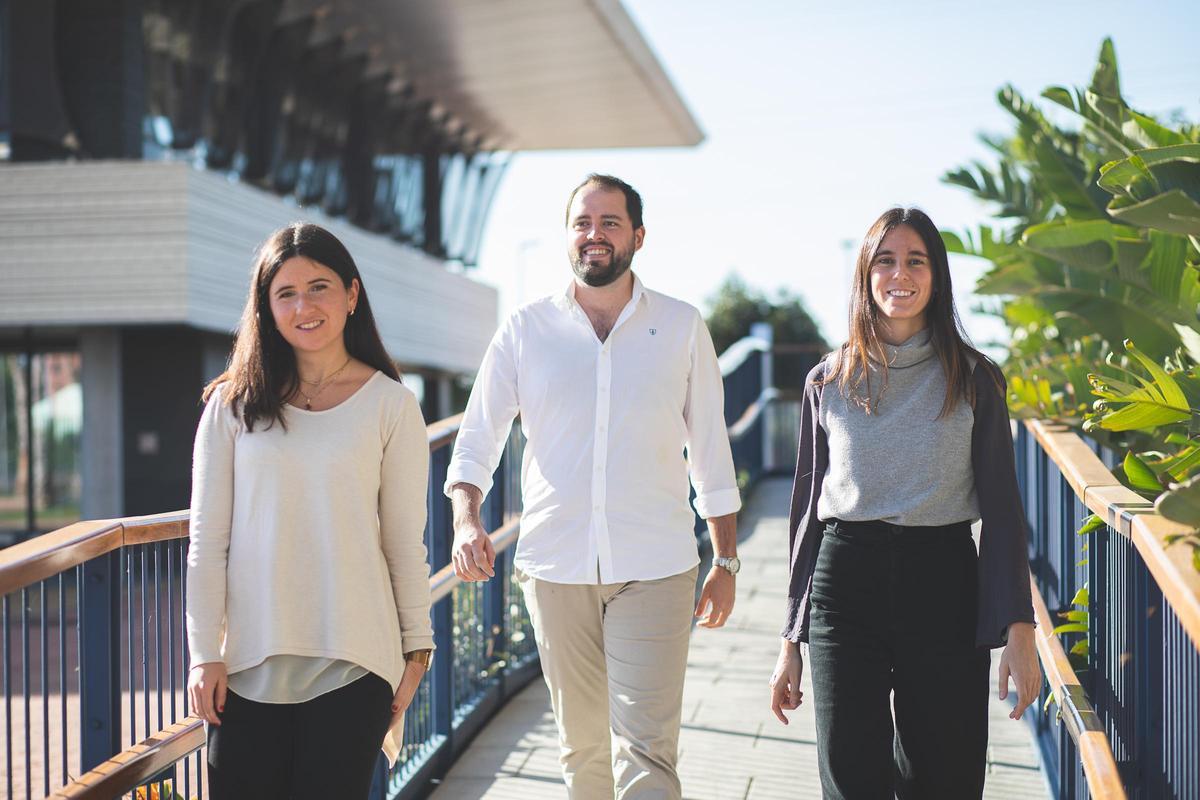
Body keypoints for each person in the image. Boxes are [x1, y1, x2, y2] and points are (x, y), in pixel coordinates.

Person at [446, 174, 742, 799]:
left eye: (610, 223)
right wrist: (468, 519)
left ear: (638, 235)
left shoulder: (682, 326)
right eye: (583, 222)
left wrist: (726, 559)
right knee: (583, 751)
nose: (595, 235)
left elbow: (711, 449)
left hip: (656, 566)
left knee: (646, 751)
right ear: (568, 236)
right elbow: (477, 437)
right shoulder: (525, 330)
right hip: (556, 566)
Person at [768, 207, 1042, 799]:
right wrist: (789, 640)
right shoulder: (827, 381)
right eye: (885, 260)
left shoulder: (976, 379)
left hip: (944, 579)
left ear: (936, 276)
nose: (900, 274)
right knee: (850, 778)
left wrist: (1020, 631)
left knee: (945, 779)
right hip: (845, 583)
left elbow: (1002, 511)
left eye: (915, 260)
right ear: (866, 276)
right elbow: (805, 515)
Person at [185, 222, 434, 799]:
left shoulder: (392, 406)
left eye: (319, 287)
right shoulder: (232, 405)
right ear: (266, 308)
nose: (304, 306)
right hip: (246, 664)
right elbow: (207, 542)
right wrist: (203, 655)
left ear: (351, 295)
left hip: (354, 660)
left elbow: (403, 541)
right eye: (286, 293)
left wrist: (416, 649)